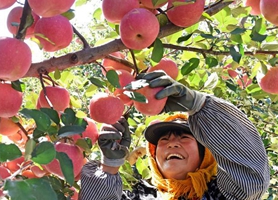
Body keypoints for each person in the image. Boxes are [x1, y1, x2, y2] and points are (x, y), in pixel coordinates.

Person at [79, 71, 270, 200]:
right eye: (163, 139)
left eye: (184, 137)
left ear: (205, 153)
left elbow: (250, 177)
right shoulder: (140, 196)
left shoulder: (222, 194)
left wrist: (201, 106)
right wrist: (108, 168)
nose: (172, 143)